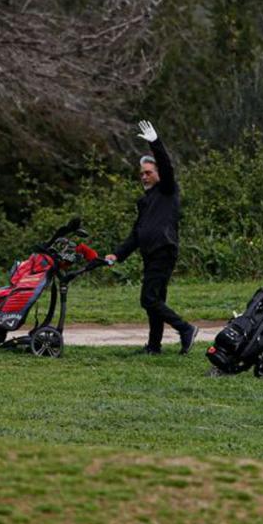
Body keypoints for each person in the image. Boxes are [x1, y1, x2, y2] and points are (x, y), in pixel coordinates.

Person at [105, 120, 200, 355]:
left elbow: (168, 167)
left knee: (148, 299)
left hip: (163, 251)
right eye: (141, 174)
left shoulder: (168, 190)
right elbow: (136, 234)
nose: (144, 177)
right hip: (150, 253)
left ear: (158, 174)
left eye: (148, 173)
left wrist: (155, 143)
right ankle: (154, 346)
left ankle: (186, 329)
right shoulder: (145, 202)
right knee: (156, 301)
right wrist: (117, 254)